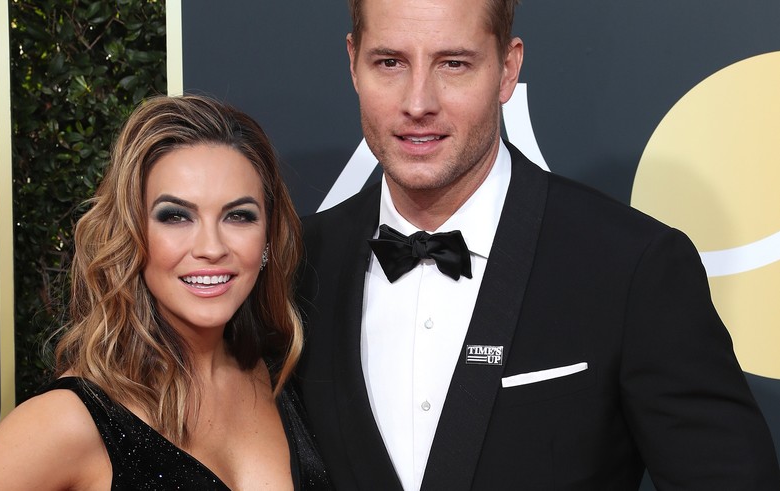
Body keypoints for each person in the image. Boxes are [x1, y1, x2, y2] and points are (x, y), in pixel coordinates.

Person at [295, 0, 780, 489]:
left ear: (508, 69)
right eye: (390, 63)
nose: (418, 102)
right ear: (353, 64)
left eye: (454, 64)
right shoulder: (296, 264)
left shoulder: (630, 266)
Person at [0, 95, 330, 490]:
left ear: (267, 237)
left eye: (239, 216)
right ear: (133, 236)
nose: (211, 247)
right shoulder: (70, 420)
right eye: (176, 216)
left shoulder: (284, 378)